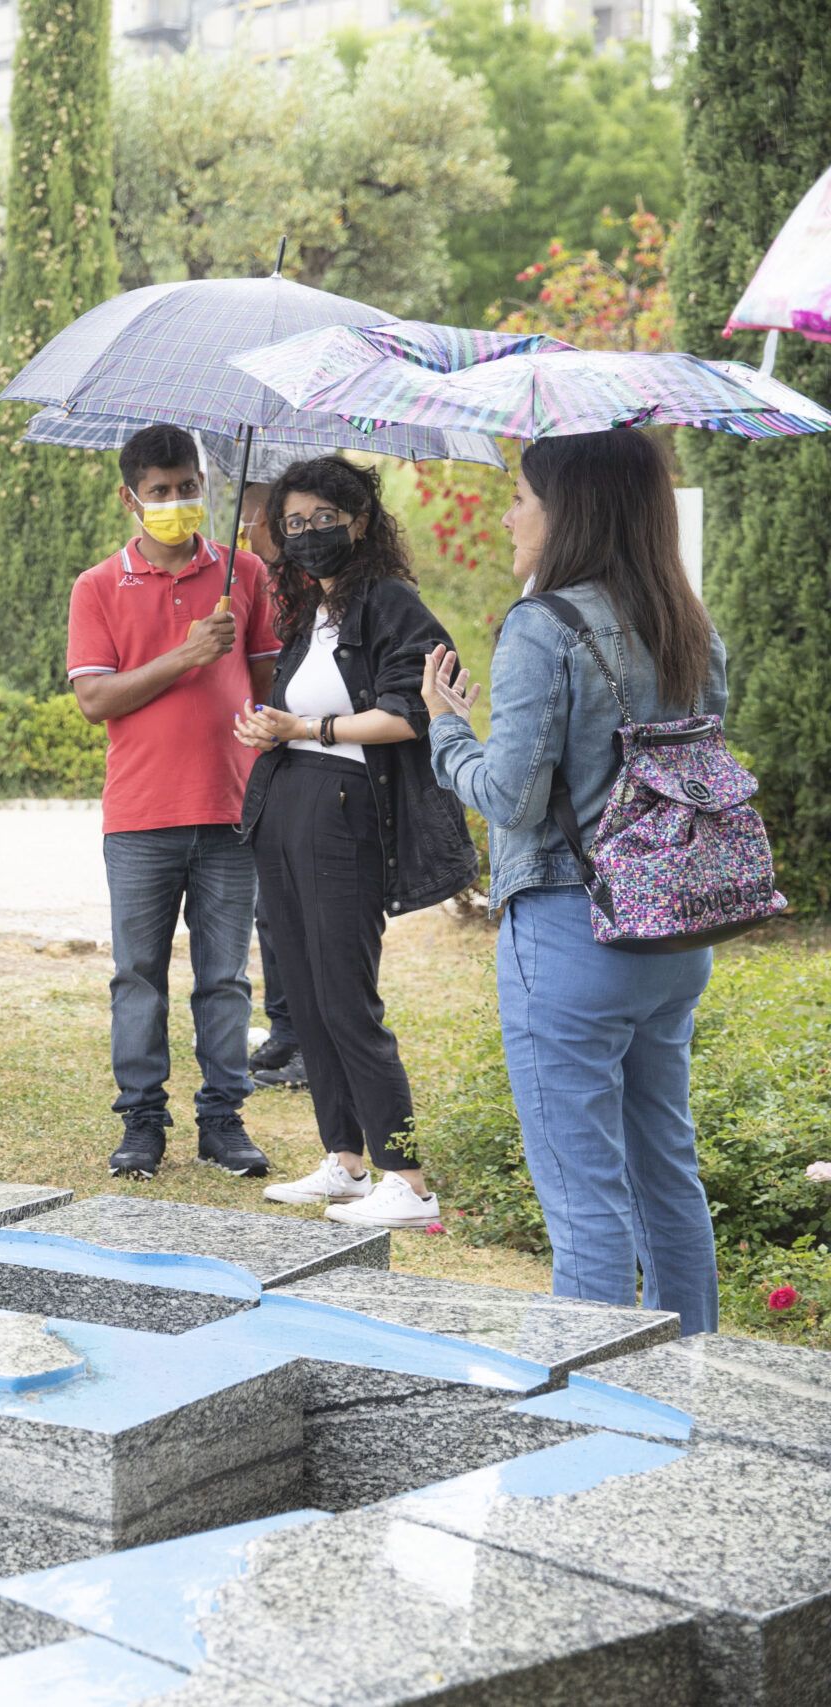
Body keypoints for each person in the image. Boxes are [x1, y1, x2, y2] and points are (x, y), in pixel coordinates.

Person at [425, 427, 729, 1334]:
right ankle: (696, 1379)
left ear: (571, 509)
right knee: (666, 1172)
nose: (511, 512)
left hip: (571, 935)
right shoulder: (689, 622)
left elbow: (509, 797)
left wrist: (447, 727)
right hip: (674, 934)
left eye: (522, 494)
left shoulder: (542, 625)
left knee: (585, 1197)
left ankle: (592, 1420)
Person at [232, 456, 474, 1229]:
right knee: (304, 996)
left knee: (346, 994)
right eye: (292, 523)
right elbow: (298, 708)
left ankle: (408, 1179)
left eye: (321, 519)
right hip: (288, 801)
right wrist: (268, 728)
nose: (307, 535)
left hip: (346, 813)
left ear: (361, 519)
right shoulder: (311, 611)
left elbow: (414, 710)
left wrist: (309, 727)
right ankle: (344, 1160)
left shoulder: (389, 603)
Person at [67, 423, 280, 1178]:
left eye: (187, 487)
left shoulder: (245, 573)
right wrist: (186, 654)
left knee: (226, 978)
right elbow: (95, 698)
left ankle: (224, 1119)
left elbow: (268, 682)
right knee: (139, 976)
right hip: (141, 816)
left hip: (231, 808)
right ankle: (142, 1121)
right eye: (158, 492)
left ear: (205, 484)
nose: (176, 502)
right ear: (130, 498)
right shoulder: (97, 586)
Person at [238, 479, 308, 1093]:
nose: (244, 533)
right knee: (272, 911)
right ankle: (285, 1028)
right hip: (270, 765)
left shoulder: (312, 586)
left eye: (253, 521)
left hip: (315, 766)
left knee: (309, 911)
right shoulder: (255, 583)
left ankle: (312, 1040)